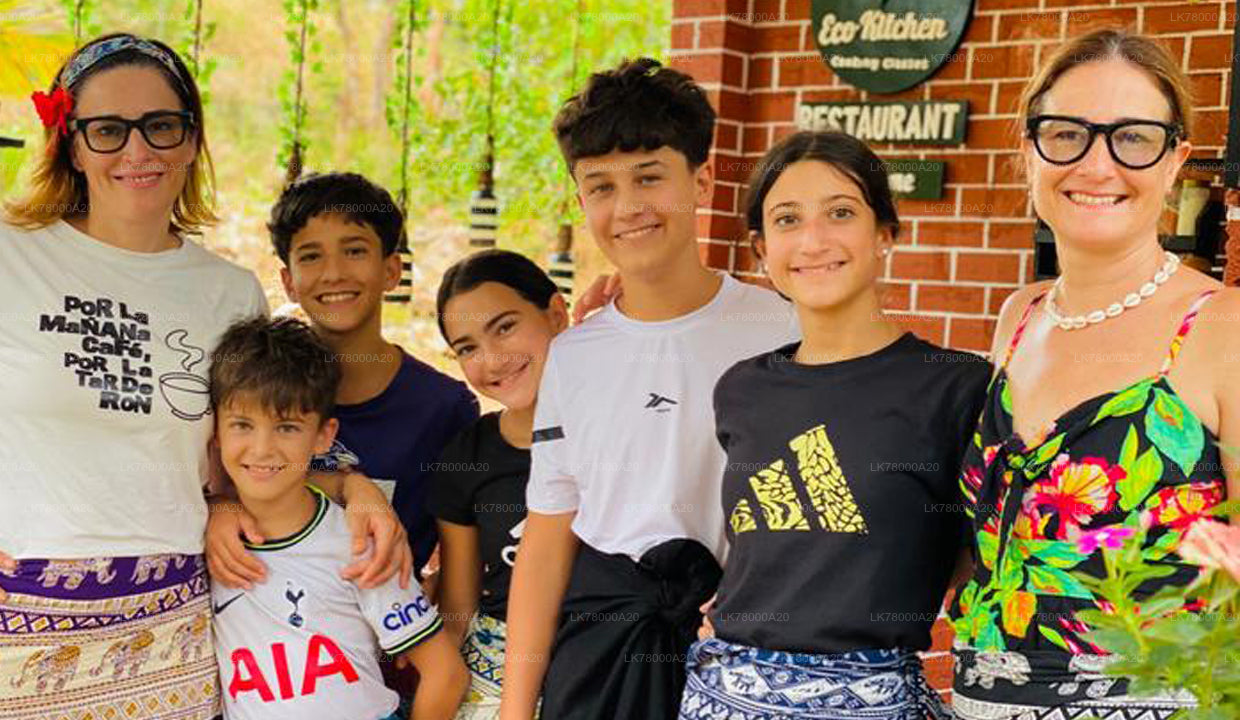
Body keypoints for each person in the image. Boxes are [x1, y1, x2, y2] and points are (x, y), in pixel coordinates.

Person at [0, 33, 404, 719]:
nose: (138, 152)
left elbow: (239, 456)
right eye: (108, 130)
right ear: (70, 143)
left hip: (171, 627)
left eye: (160, 127)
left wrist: (346, 488)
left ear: (191, 141)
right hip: (7, 623)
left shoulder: (228, 293)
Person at [949, 29, 1240, 720]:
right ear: (1029, 152)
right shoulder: (1018, 316)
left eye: (1133, 138)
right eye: (1066, 133)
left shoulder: (1223, 329)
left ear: (1176, 162)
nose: (1097, 163)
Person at [499, 58, 798, 720]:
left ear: (703, 179)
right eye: (600, 186)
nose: (627, 207)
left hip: (741, 657)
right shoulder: (573, 357)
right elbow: (548, 542)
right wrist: (516, 709)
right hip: (599, 659)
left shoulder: (783, 328)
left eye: (648, 177)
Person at [675, 130, 990, 720]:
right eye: (787, 219)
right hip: (724, 695)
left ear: (884, 236)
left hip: (870, 698)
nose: (813, 240)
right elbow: (760, 543)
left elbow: (979, 553)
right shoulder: (742, 388)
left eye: (840, 213)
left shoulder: (956, 386)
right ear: (760, 249)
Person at [207, 172, 479, 589]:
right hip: (259, 634)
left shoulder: (443, 407)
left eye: (354, 250)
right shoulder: (253, 385)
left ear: (392, 271)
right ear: (288, 282)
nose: (333, 273)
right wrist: (221, 508)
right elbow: (222, 484)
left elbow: (459, 557)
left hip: (386, 637)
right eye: (311, 256)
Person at [207, 316, 467, 720]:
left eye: (287, 427)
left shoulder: (359, 543)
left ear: (324, 436)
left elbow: (445, 674)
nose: (262, 448)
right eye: (242, 424)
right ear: (216, 432)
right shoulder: (202, 541)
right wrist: (215, 508)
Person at [428, 249, 568, 718]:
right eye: (467, 348)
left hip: (602, 653)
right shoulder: (466, 459)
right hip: (498, 666)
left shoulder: (618, 436)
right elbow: (458, 609)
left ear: (556, 313)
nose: (493, 360)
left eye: (504, 327)